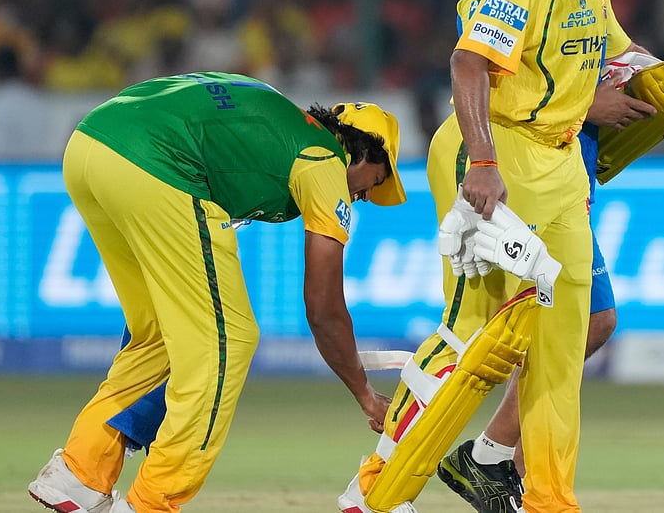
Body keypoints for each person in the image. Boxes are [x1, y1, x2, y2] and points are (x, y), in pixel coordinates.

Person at [340, 0, 664, 513]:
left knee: (563, 344)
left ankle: (548, 501)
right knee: (472, 337)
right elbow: (468, 63)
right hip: (501, 153)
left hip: (560, 167)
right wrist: (480, 158)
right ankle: (374, 494)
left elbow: (625, 58)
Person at [436, 0, 664, 513]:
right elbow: (492, 71)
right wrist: (582, 110)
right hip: (511, 158)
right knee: (498, 335)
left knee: (586, 324)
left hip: (563, 162)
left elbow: (614, 51)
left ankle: (496, 462)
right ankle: (392, 470)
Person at [27, 72, 407, 513]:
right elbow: (323, 308)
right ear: (361, 149)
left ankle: (79, 474)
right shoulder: (324, 160)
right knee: (228, 339)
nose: (364, 197)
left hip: (92, 145)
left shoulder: (280, 120)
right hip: (157, 163)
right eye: (375, 181)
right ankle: (152, 503)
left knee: (161, 335)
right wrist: (364, 393)